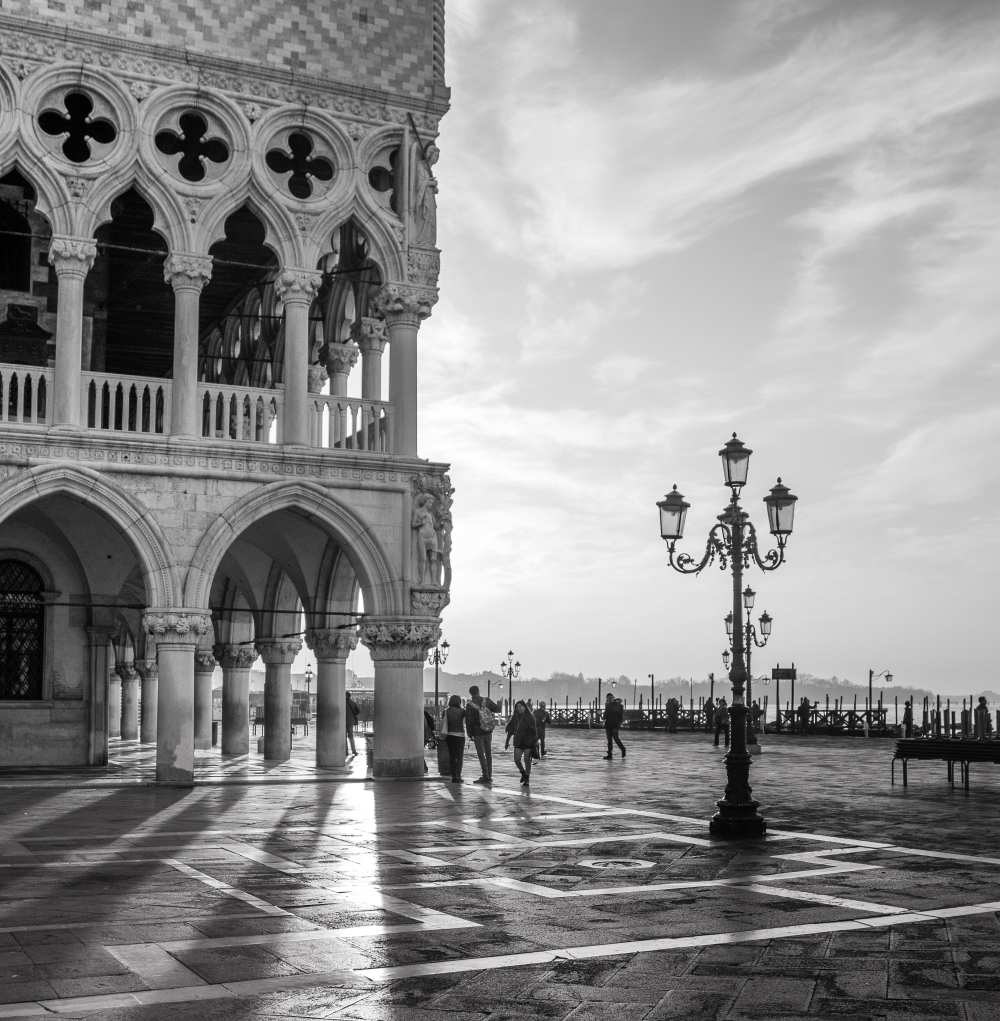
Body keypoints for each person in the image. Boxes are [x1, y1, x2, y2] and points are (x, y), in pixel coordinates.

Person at [465, 684, 501, 784]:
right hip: (488, 731)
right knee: (488, 753)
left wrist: (469, 733)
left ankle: (485, 775)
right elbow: (498, 709)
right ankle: (489, 775)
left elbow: (469, 721)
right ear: (479, 691)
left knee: (481, 754)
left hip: (477, 732)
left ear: (470, 693)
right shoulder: (487, 700)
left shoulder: (469, 704)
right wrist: (500, 703)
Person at [504, 699, 538, 786]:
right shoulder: (515, 717)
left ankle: (527, 779)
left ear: (524, 707)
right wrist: (507, 741)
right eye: (517, 707)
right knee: (516, 760)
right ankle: (523, 773)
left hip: (528, 742)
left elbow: (534, 731)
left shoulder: (530, 717)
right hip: (518, 741)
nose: (519, 708)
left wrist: (535, 742)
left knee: (527, 760)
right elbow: (510, 730)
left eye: (520, 706)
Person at [444, 694, 466, 783]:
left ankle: (454, 776)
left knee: (452, 756)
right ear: (459, 702)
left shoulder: (446, 711)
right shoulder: (462, 711)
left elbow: (443, 723)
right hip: (460, 735)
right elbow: (467, 721)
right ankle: (458, 776)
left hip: (449, 735)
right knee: (459, 756)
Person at [603, 692, 626, 759]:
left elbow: (620, 716)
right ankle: (610, 755)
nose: (609, 699)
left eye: (610, 698)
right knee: (610, 740)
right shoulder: (612, 705)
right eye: (608, 698)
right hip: (609, 724)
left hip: (615, 724)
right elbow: (605, 716)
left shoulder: (617, 705)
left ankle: (622, 749)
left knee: (615, 738)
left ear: (613, 698)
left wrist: (619, 723)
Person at [345, 690, 360, 756]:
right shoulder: (353, 703)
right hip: (350, 722)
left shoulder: (341, 703)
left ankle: (345, 751)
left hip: (343, 722)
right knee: (351, 737)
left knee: (343, 737)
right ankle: (354, 751)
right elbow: (358, 711)